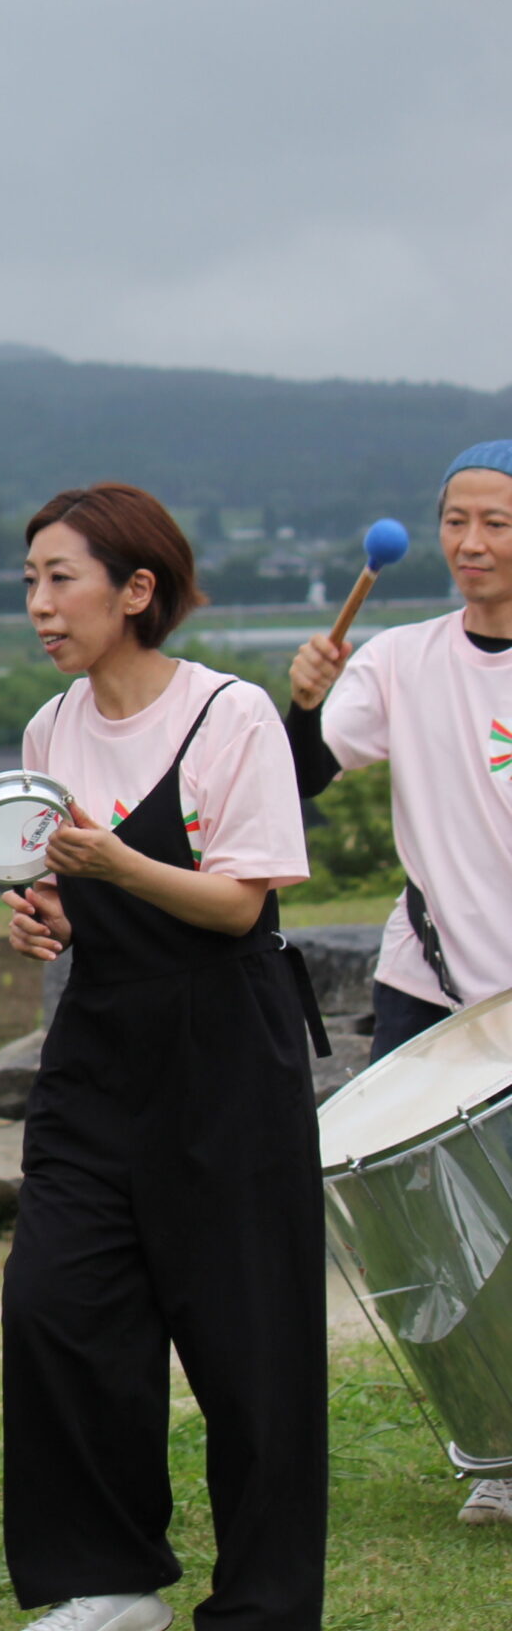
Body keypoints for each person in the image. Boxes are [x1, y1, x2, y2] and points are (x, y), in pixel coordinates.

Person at [0, 486, 325, 1631]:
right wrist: (47, 915)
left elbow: (239, 905)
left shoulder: (230, 717)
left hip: (227, 1054)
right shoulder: (47, 731)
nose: (37, 603)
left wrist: (115, 869)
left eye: (60, 578)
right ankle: (107, 1578)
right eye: (29, 579)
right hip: (99, 1051)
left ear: (137, 591)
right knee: (55, 1307)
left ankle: (256, 1617)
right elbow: (64, 883)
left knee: (249, 1344)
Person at [284, 438, 512, 1528]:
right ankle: (497, 1447)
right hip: (433, 984)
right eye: (456, 521)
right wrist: (298, 704)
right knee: (427, 1229)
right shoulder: (400, 661)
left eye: (496, 522)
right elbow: (292, 784)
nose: (470, 544)